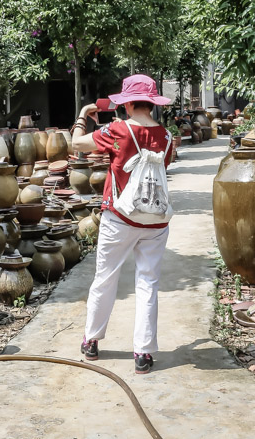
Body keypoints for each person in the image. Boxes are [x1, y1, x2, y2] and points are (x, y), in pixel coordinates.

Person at [70, 75, 176, 374]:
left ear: (127, 103)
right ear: (152, 103)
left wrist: (83, 115)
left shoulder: (117, 130)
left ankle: (91, 341)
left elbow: (78, 144)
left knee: (106, 277)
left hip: (119, 218)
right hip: (155, 222)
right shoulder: (167, 137)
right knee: (148, 283)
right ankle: (143, 353)